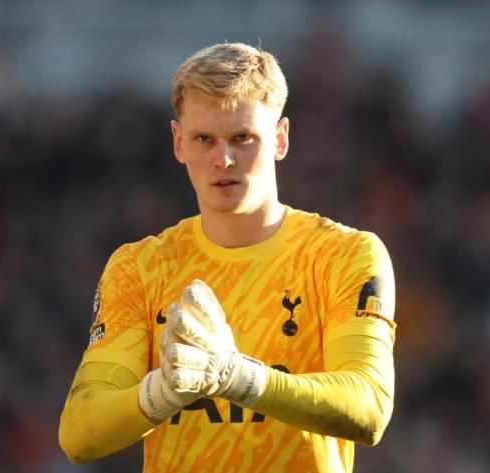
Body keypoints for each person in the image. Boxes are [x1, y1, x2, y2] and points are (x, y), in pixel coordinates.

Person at [58, 42, 396, 473]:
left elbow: (368, 406)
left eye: (242, 138)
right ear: (178, 143)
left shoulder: (344, 256)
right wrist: (161, 393)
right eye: (204, 139)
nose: (223, 159)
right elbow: (79, 432)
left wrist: (236, 377)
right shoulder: (139, 267)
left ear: (280, 139)